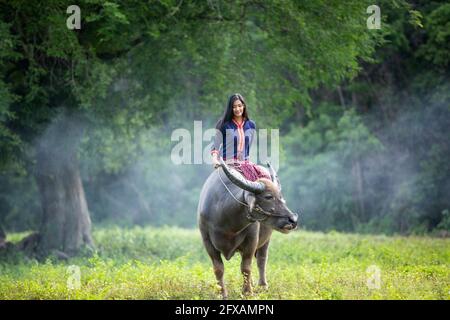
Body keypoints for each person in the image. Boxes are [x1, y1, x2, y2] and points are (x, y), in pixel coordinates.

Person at [211, 93, 270, 181]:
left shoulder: (251, 125)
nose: (237, 109)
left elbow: (248, 147)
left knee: (266, 177)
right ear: (230, 109)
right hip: (228, 164)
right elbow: (215, 144)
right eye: (234, 107)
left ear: (244, 106)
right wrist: (215, 160)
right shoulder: (224, 125)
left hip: (245, 164)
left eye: (240, 105)